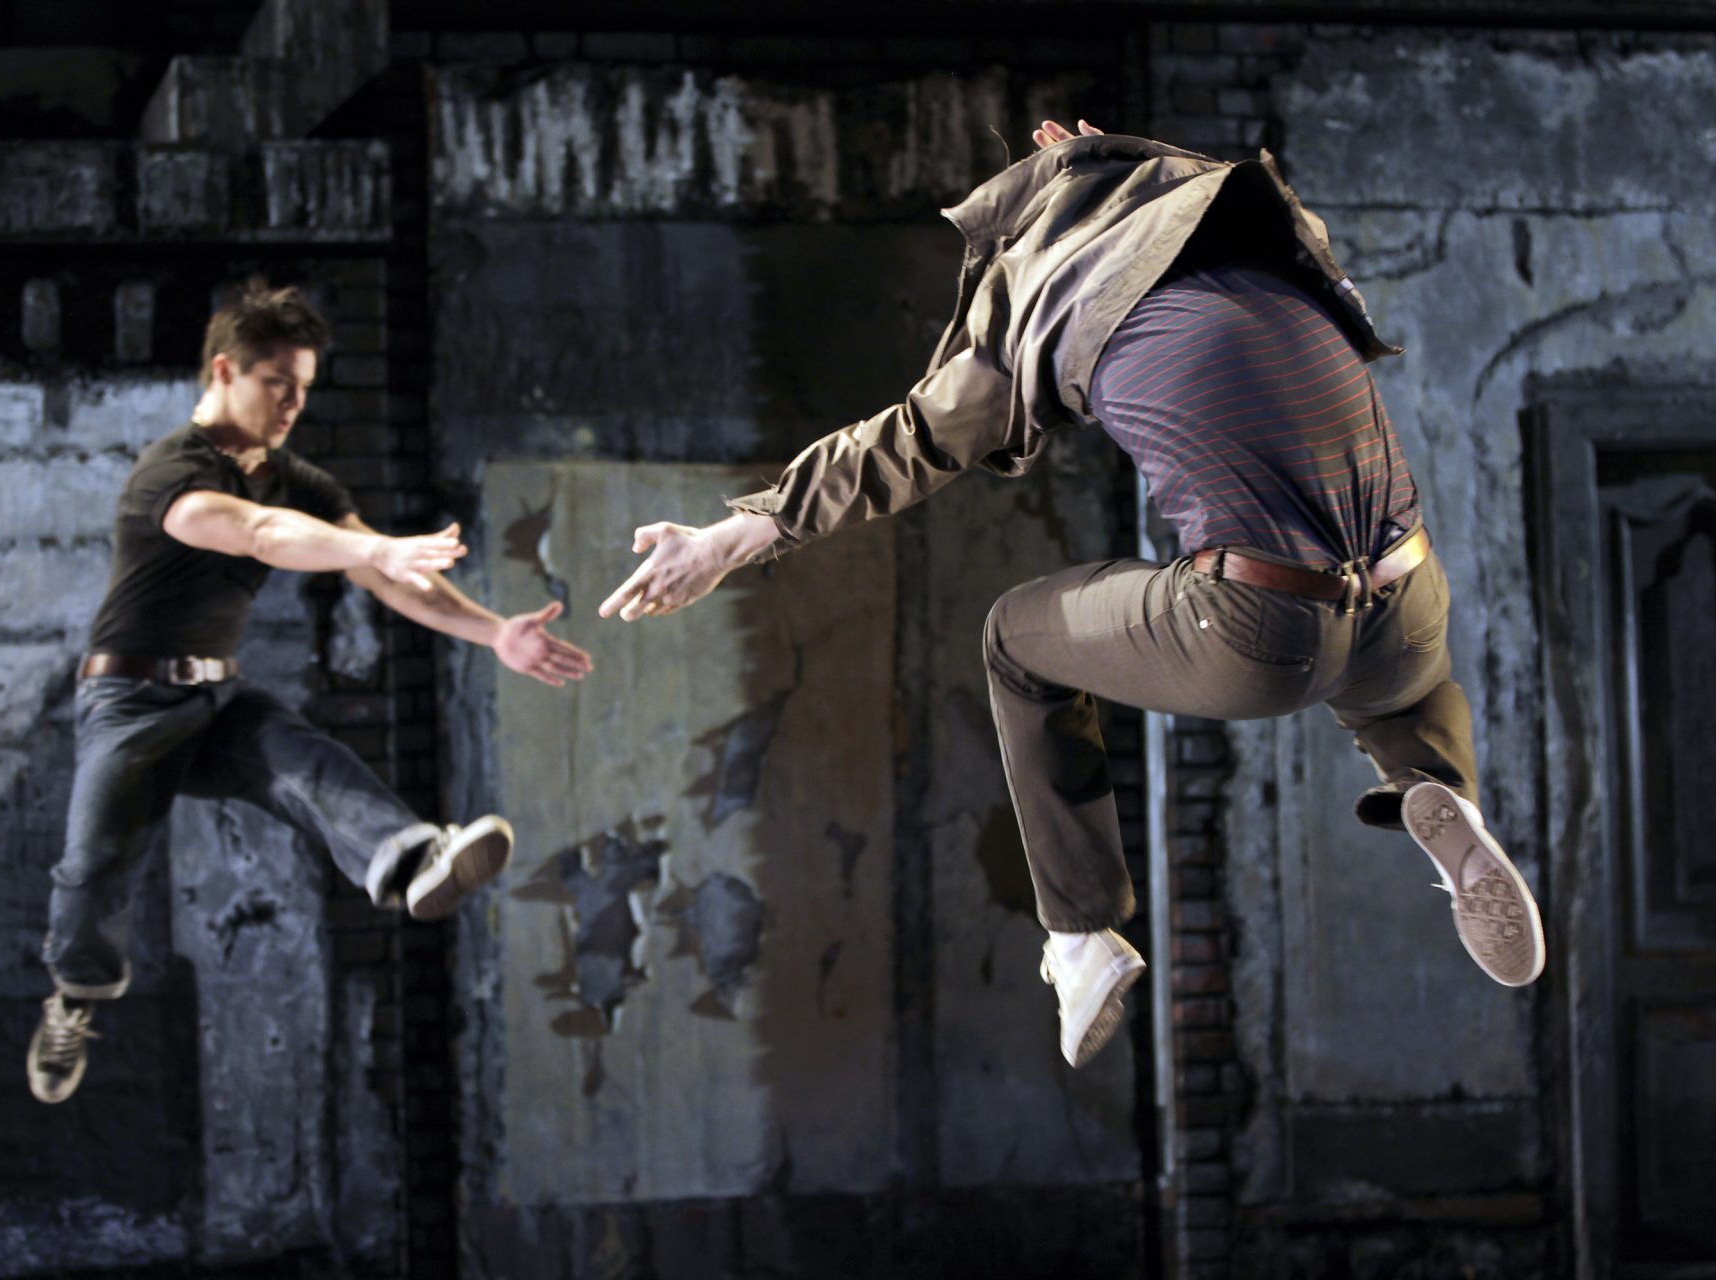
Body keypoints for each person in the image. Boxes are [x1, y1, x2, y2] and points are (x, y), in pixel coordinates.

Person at [596, 120, 1543, 1069]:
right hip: (1411, 603)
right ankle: (1435, 783)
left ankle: (1083, 933)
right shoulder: (1264, 244)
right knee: (1401, 681)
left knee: (1015, 641)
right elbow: (1186, 177)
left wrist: (728, 539)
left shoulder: (1057, 283)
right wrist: (1114, 154)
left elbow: (905, 443)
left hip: (1264, 631)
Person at [28, 280, 593, 1104]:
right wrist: (372, 549)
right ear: (225, 371)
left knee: (302, 759)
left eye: (303, 389)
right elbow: (259, 533)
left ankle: (414, 858)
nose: (293, 405)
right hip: (129, 706)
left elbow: (387, 575)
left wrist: (493, 631)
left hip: (217, 702)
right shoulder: (171, 473)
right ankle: (74, 999)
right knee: (93, 872)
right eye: (277, 385)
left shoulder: (295, 479)